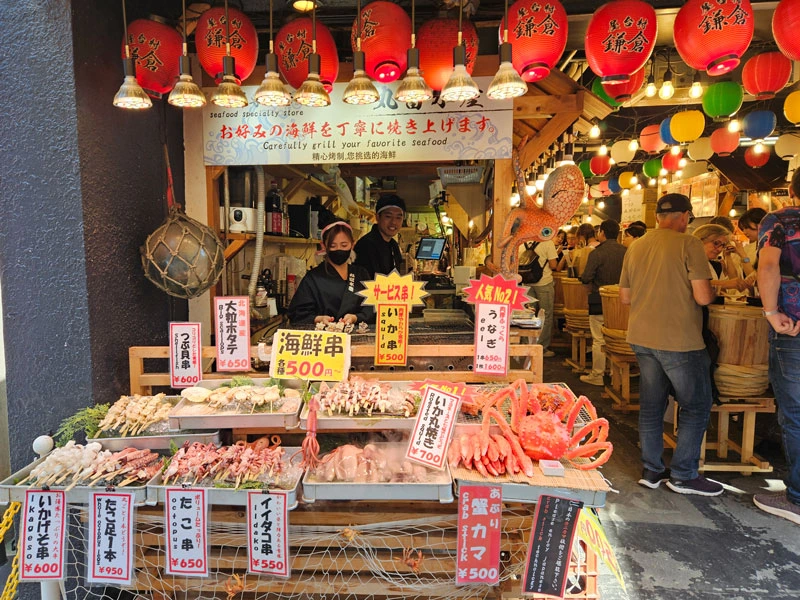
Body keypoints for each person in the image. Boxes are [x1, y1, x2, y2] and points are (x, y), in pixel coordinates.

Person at [619, 193, 723, 496]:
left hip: (641, 337)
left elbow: (625, 297)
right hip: (679, 340)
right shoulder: (689, 243)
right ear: (685, 216)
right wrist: (713, 293)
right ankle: (683, 475)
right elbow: (702, 297)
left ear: (657, 217)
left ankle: (652, 470)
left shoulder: (636, 246)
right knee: (696, 406)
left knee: (652, 406)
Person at [753, 172, 800, 524]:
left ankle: (797, 498)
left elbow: (768, 264)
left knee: (796, 414)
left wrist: (771, 312)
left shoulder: (780, 220)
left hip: (792, 328)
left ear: (793, 190)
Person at [288, 220, 374, 326]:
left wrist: (355, 318)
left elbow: (372, 307)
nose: (339, 249)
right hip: (324, 334)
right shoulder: (313, 278)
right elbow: (297, 313)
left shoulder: (361, 273)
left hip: (356, 333)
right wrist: (318, 319)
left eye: (344, 245)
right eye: (333, 246)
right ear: (324, 246)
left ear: (352, 244)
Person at [579, 219, 627, 386]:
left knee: (599, 339)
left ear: (602, 233)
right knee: (616, 339)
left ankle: (597, 375)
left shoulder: (597, 253)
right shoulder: (626, 251)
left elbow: (586, 277)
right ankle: (615, 375)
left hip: (599, 301)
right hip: (622, 304)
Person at [519, 238, 559, 358]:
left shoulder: (521, 242)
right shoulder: (547, 242)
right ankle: (541, 348)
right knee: (545, 315)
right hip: (544, 283)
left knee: (527, 315)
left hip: (526, 283)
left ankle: (526, 346)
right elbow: (553, 265)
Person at [353, 194, 406, 278]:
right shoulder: (365, 245)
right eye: (388, 216)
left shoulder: (394, 245)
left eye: (398, 218)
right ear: (378, 217)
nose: (393, 222)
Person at [692, 224, 750, 294]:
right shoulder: (686, 261)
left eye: (723, 245)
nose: (720, 249)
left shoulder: (712, 265)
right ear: (700, 240)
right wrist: (723, 284)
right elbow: (689, 283)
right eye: (716, 243)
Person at [736, 207, 767, 280]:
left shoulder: (771, 247)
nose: (744, 232)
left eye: (747, 227)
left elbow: (755, 280)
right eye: (743, 229)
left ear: (760, 224)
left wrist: (743, 255)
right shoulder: (750, 247)